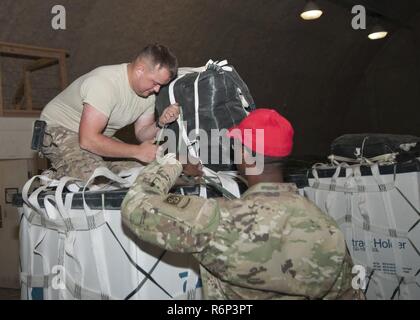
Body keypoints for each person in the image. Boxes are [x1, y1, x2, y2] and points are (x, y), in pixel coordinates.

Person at [120, 108, 364, 300]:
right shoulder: (326, 227)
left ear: (246, 155)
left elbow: (137, 205)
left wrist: (173, 161)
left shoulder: (218, 220)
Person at [39, 43, 180, 181]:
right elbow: (87, 140)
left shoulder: (147, 94)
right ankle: (56, 177)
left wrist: (160, 123)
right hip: (57, 127)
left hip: (95, 136)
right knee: (95, 179)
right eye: (155, 83)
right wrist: (138, 151)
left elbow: (142, 133)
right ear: (140, 70)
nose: (157, 89)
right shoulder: (104, 84)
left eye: (161, 85)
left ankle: (74, 168)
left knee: (145, 176)